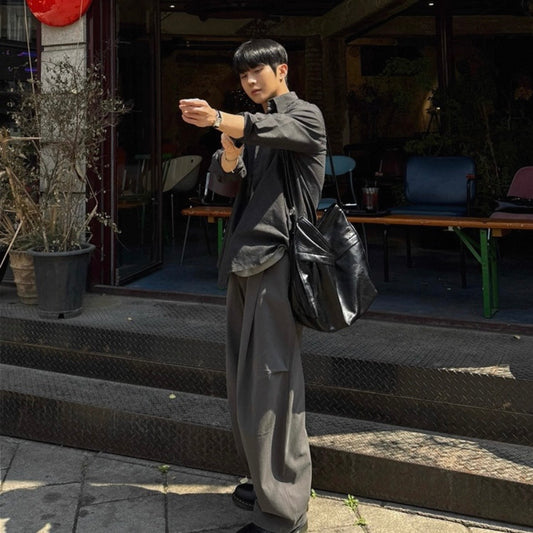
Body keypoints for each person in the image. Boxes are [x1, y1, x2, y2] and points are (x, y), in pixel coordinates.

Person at [179, 38, 326, 533]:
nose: (249, 81)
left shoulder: (304, 116)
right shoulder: (255, 125)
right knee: (244, 380)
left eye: (256, 71)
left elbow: (266, 128)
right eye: (242, 75)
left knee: (272, 381)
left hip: (278, 260)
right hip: (244, 260)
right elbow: (229, 182)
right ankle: (262, 481)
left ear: (281, 70)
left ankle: (283, 511)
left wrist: (220, 119)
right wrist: (227, 150)